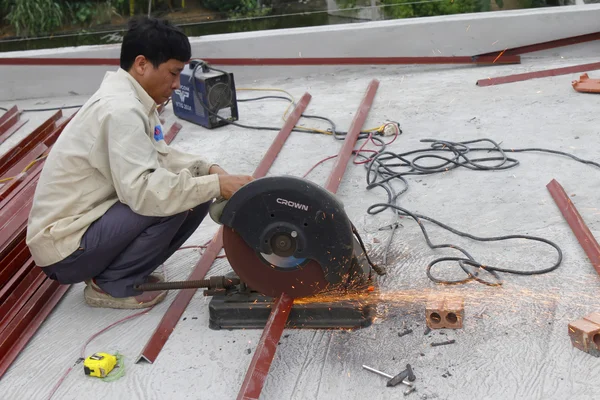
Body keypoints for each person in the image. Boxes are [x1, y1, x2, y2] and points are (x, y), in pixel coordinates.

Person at [25, 16, 254, 310]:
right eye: (173, 73)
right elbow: (146, 192)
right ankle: (111, 285)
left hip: (83, 232)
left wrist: (208, 171)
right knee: (170, 199)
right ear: (142, 64)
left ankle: (120, 272)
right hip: (65, 250)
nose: (176, 84)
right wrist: (215, 183)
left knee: (193, 190)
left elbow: (161, 156)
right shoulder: (120, 110)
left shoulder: (132, 99)